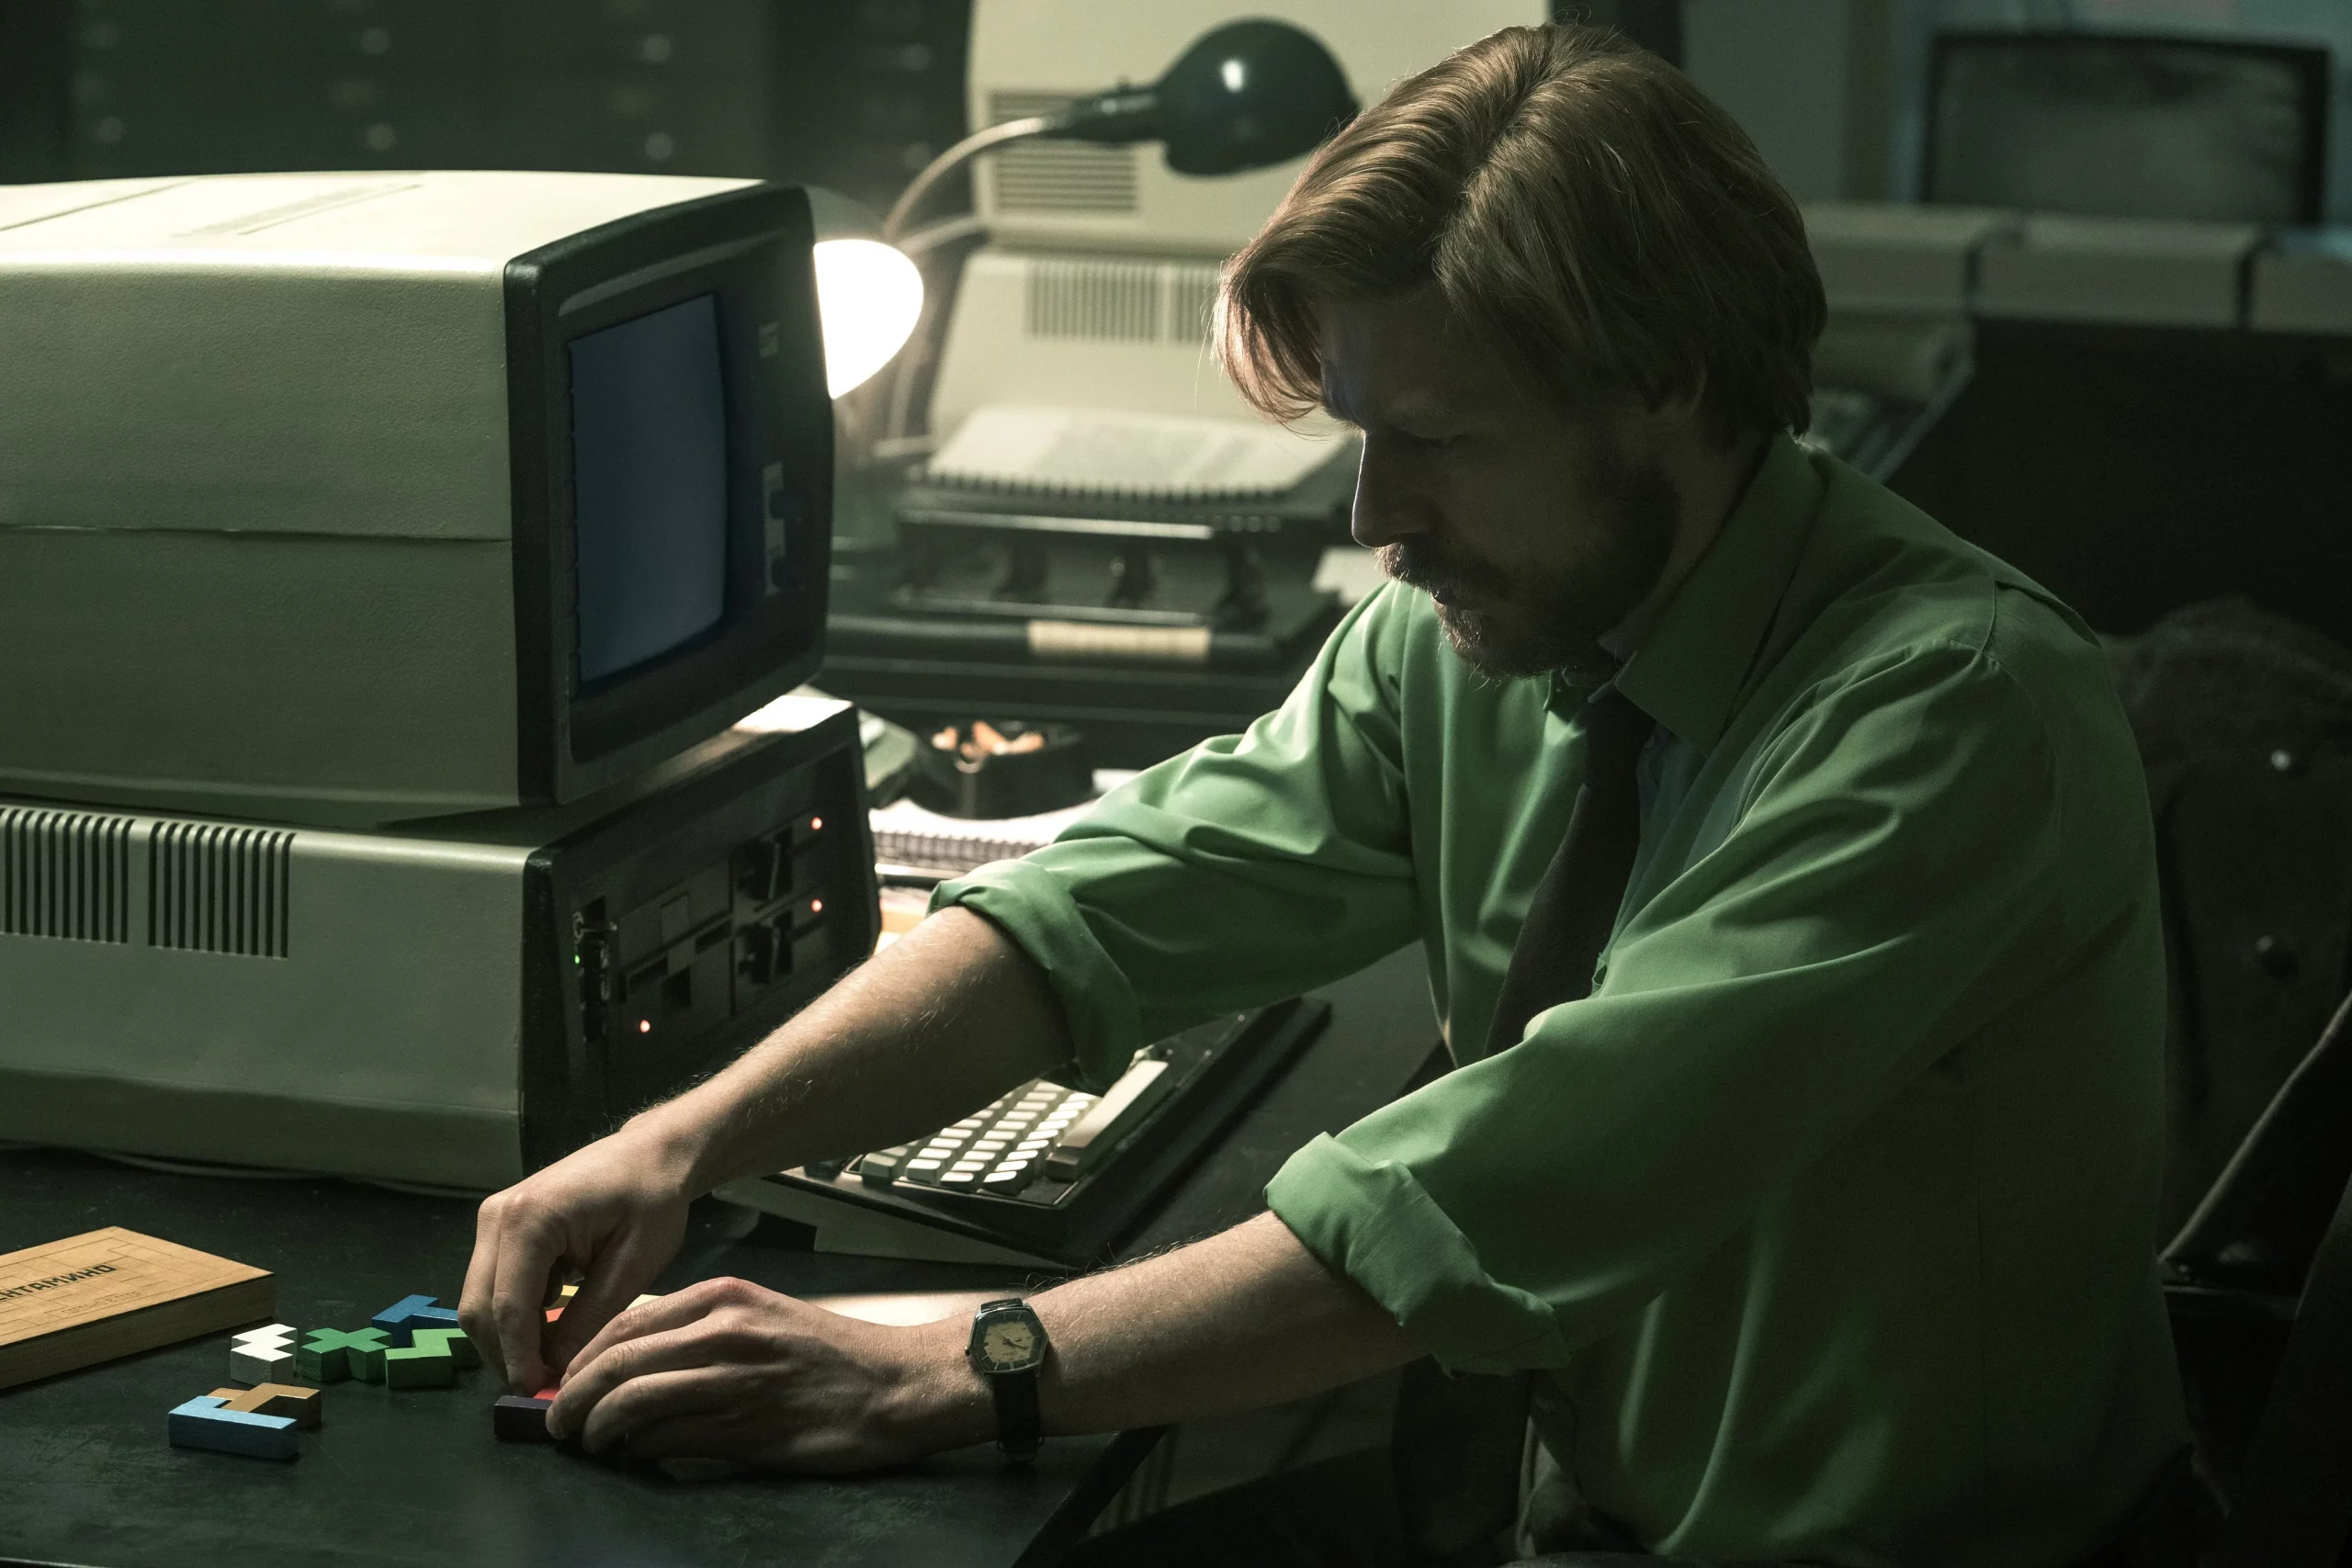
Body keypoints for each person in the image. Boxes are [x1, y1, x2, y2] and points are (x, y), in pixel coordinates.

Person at [458, 23, 2187, 1566]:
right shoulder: (1488, 632)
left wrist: (944, 1366)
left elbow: (1477, 1201)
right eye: (1357, 431)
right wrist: (683, 1137)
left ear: (1664, 384)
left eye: (1434, 436)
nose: (1375, 515)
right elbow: (1106, 903)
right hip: (1564, 1508)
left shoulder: (1953, 713)